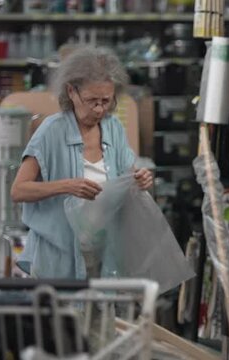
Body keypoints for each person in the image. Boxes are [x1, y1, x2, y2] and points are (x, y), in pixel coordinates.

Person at [10, 46, 153, 279]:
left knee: (103, 315)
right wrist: (67, 186)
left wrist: (140, 179)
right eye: (91, 100)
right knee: (62, 315)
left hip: (105, 255)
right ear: (71, 92)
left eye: (106, 101)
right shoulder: (51, 131)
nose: (99, 109)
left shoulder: (113, 128)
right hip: (57, 257)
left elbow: (128, 176)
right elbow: (18, 190)